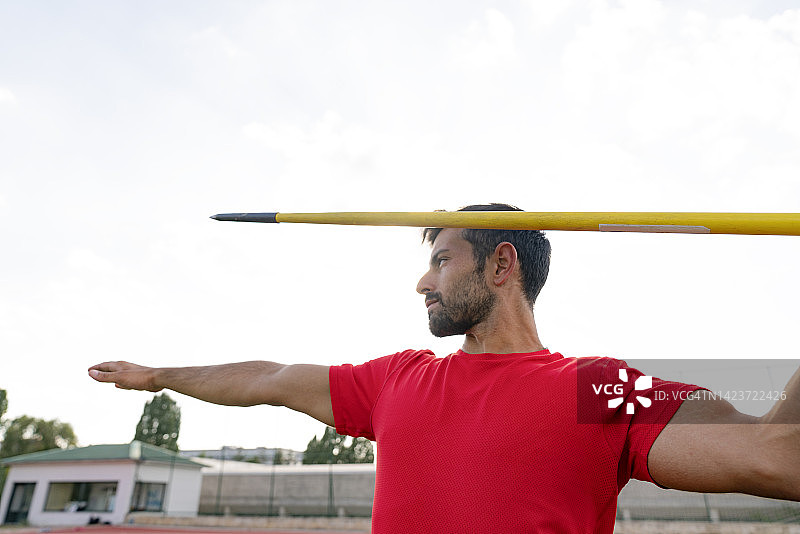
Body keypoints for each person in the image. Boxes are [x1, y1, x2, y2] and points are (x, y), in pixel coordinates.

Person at [89, 203, 800, 533]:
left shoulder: (602, 387)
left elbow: (779, 457)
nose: (422, 283)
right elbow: (268, 378)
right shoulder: (396, 379)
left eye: (440, 260)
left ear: (501, 264)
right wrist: (162, 376)